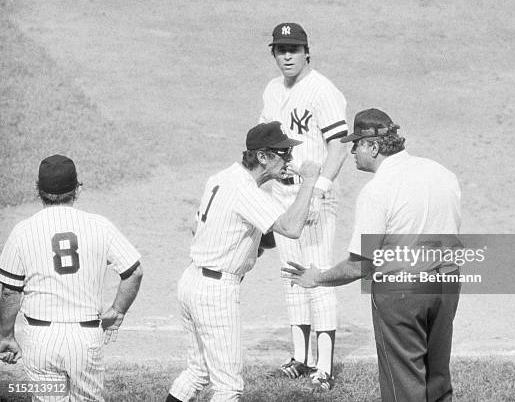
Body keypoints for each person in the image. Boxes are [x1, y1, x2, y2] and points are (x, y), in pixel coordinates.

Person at [283, 109, 463, 402]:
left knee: (403, 384)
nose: (353, 150)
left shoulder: (377, 191)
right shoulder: (442, 173)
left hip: (403, 293)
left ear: (374, 146)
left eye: (357, 143)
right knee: (438, 379)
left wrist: (318, 277)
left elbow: (361, 265)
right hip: (448, 283)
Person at [166, 121, 321, 402]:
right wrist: (309, 182)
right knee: (228, 388)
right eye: (284, 153)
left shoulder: (222, 177)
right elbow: (291, 228)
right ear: (263, 157)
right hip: (215, 293)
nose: (290, 159)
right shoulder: (246, 190)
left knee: (197, 371)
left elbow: (216, 228)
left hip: (191, 281)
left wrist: (250, 247)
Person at [0, 154, 143, 401]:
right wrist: (118, 311)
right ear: (76, 189)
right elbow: (134, 271)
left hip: (40, 338)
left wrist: (5, 336)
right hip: (85, 339)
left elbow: (10, 291)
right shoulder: (100, 226)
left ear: (38, 190)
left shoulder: (22, 231)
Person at [259, 22, 349, 390]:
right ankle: (300, 357)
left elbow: (339, 146)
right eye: (281, 50)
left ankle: (323, 367)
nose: (287, 56)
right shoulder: (271, 90)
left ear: (307, 51)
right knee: (291, 275)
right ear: (274, 53)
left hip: (314, 194)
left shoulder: (323, 90)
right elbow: (263, 141)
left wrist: (320, 189)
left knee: (319, 275)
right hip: (280, 195)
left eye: (294, 49)